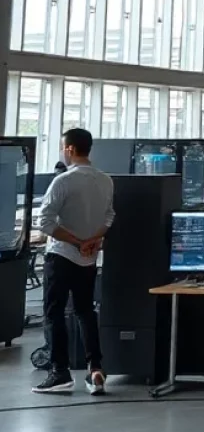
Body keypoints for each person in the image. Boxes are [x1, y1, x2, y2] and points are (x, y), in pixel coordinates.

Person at [33, 128, 115, 395]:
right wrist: (94, 239)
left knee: (53, 312)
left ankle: (60, 372)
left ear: (69, 149)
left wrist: (77, 241)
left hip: (61, 255)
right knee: (85, 311)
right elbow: (109, 216)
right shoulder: (105, 180)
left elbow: (44, 221)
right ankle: (95, 369)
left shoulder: (63, 181)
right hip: (89, 259)